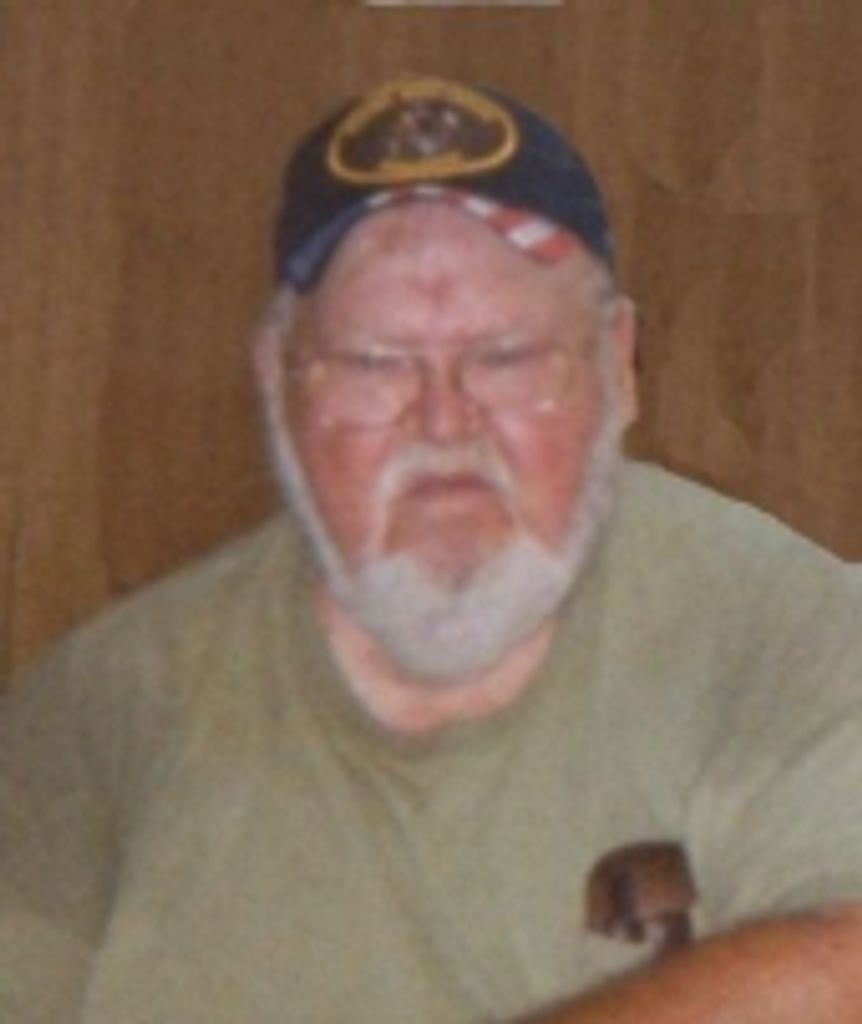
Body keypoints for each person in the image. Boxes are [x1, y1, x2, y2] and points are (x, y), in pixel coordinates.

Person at [1, 75, 861, 1023]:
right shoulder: (107, 709)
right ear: (278, 377)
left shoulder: (785, 630)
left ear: (618, 366)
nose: (445, 422)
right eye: (375, 364)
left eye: (508, 358)